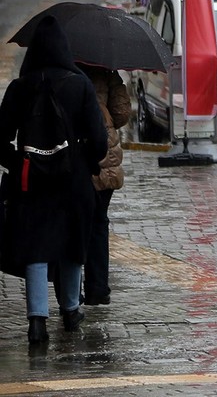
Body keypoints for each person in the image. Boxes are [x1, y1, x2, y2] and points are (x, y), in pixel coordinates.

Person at [0, 16, 107, 344]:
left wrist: (19, 163)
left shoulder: (21, 87)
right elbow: (100, 142)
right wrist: (82, 161)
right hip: (72, 180)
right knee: (72, 243)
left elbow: (0, 138)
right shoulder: (80, 85)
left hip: (31, 181)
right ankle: (71, 310)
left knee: (36, 246)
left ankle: (37, 321)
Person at [77, 64, 131, 306]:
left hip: (75, 155)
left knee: (74, 224)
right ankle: (97, 288)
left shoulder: (66, 72)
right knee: (99, 223)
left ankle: (70, 293)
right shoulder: (107, 73)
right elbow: (122, 114)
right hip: (105, 157)